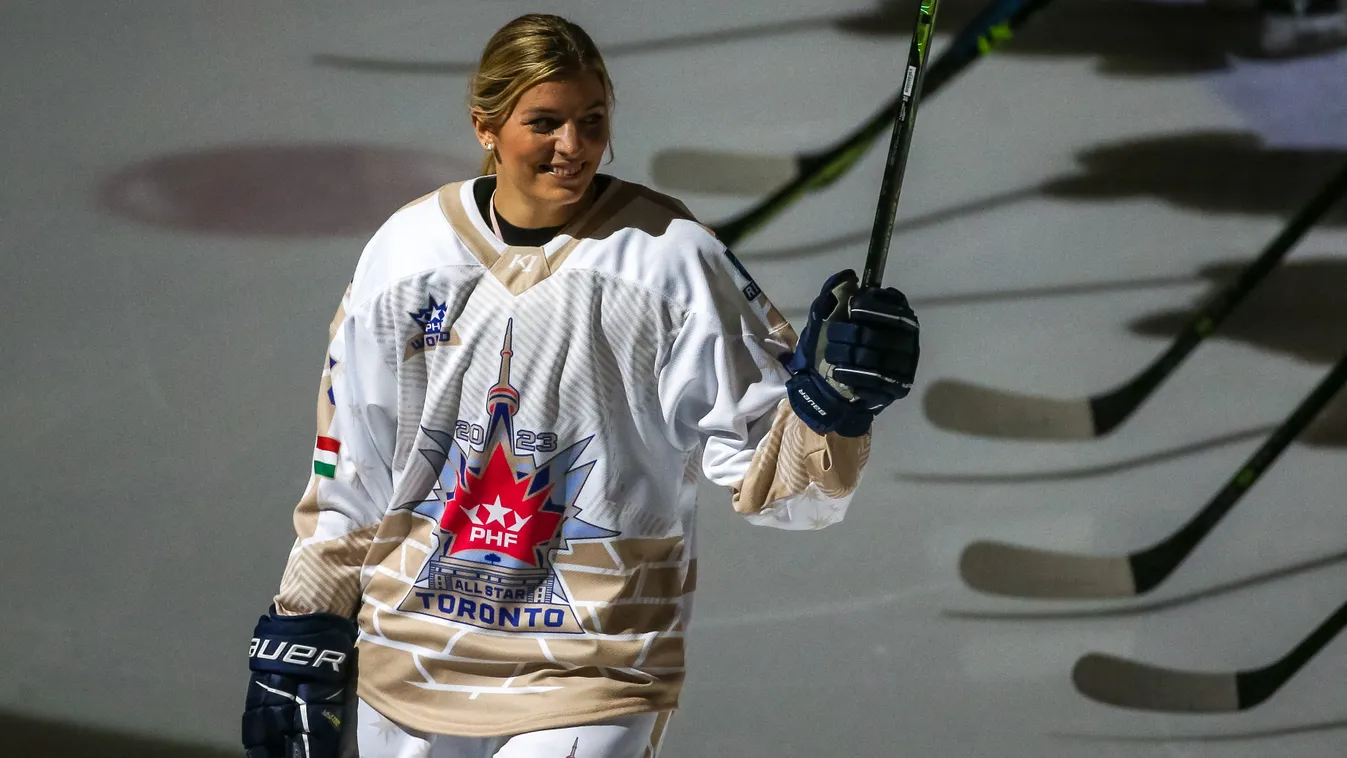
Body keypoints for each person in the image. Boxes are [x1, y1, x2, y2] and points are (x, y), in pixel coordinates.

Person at [242, 13, 919, 758]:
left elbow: (787, 493)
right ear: (485, 127)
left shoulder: (670, 261)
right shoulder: (406, 253)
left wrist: (838, 414)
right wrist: (303, 619)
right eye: (545, 122)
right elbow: (352, 473)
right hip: (408, 667)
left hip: (592, 675)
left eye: (590, 122)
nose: (572, 146)